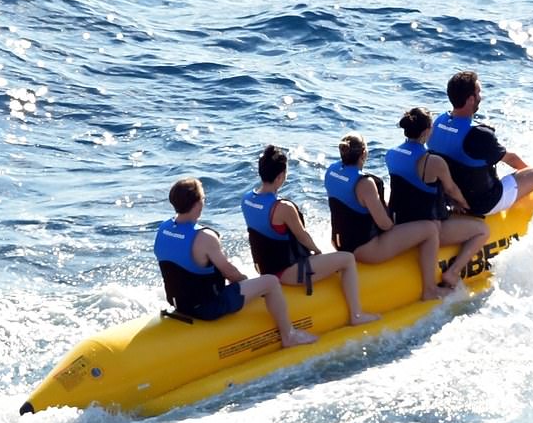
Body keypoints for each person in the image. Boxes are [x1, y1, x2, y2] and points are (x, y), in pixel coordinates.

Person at [154, 177, 316, 348]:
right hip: (208, 308)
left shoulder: (163, 229)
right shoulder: (204, 237)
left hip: (179, 304)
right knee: (271, 282)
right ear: (198, 204)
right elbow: (230, 273)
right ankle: (289, 335)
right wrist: (248, 284)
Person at [241, 145, 380, 325]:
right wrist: (318, 251)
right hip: (288, 272)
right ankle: (357, 315)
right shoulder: (283, 208)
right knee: (346, 259)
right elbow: (302, 237)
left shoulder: (246, 200)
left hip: (266, 270)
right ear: (280, 177)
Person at [324, 133, 448, 301]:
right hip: (367, 250)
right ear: (364, 154)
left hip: (340, 244)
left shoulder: (331, 171)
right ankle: (430, 289)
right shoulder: (365, 183)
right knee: (430, 229)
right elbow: (385, 225)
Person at [427, 71, 533, 216]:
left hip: (452, 200)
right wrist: (531, 177)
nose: (480, 97)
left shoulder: (437, 123)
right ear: (471, 99)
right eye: (479, 92)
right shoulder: (478, 134)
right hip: (484, 203)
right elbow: (512, 159)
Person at [387, 107, 490, 287]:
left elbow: (411, 188)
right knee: (483, 230)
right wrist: (464, 204)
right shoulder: (433, 161)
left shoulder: (391, 154)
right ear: (427, 131)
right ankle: (453, 272)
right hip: (429, 229)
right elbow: (451, 189)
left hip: (401, 225)